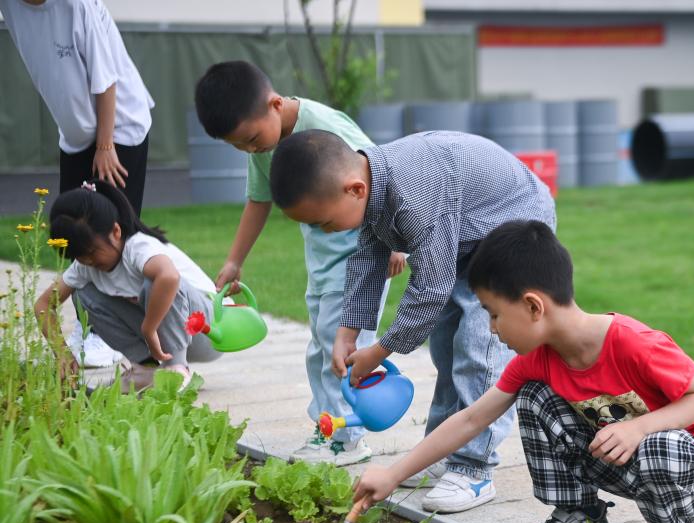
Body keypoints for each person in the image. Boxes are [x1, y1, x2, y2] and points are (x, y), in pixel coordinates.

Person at [352, 221, 694, 523]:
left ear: (533, 306)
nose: (492, 329)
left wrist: (638, 429)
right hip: (614, 459)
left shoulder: (633, 343)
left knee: (661, 446)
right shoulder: (537, 361)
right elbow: (471, 419)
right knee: (533, 395)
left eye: (494, 314)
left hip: (684, 465)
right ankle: (581, 521)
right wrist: (392, 474)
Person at [268, 130, 557, 514]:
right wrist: (346, 333)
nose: (325, 232)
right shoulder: (372, 185)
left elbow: (430, 289)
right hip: (467, 236)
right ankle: (440, 447)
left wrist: (380, 349)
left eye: (323, 222)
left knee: (479, 343)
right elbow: (368, 259)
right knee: (445, 347)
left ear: (354, 190)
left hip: (512, 225)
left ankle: (473, 467)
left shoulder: (412, 194)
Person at [193, 60, 404, 466]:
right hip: (323, 264)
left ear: (274, 104)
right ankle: (327, 428)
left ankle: (348, 436)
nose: (251, 151)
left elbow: (383, 172)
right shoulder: (263, 142)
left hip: (364, 256)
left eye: (251, 140)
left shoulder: (325, 126)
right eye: (240, 147)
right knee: (320, 349)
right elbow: (258, 199)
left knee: (341, 349)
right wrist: (235, 260)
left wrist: (396, 242)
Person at [34, 180, 221, 388]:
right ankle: (146, 368)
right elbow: (43, 305)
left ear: (115, 232)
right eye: (79, 256)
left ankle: (175, 367)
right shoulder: (86, 265)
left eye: (91, 252)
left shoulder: (138, 246)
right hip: (162, 338)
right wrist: (62, 353)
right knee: (82, 292)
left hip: (209, 330)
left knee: (157, 280)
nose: (87, 262)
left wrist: (149, 328)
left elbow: (169, 277)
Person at [0, 0, 154, 215]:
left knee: (111, 238)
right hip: (76, 136)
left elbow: (106, 80)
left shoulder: (77, 5)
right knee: (70, 233)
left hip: (119, 128)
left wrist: (105, 147)